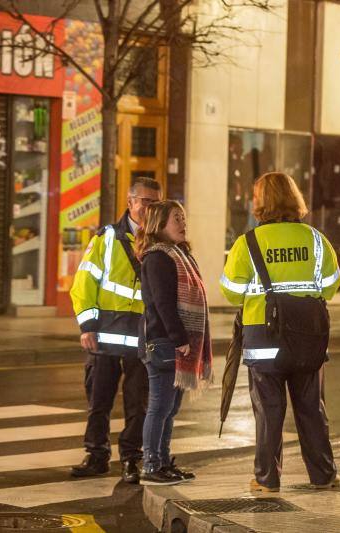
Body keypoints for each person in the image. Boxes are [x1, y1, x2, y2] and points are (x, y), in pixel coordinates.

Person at [220, 172, 340, 492]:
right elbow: (331, 286)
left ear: (260, 203)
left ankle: (267, 479)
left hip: (264, 339)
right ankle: (324, 475)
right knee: (312, 409)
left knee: (269, 412)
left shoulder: (247, 243)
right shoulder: (315, 239)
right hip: (308, 337)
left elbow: (232, 292)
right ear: (294, 198)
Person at [69, 177, 161, 483]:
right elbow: (84, 283)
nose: (150, 208)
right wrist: (87, 325)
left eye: (155, 202)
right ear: (130, 202)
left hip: (142, 338)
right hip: (105, 336)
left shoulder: (162, 242)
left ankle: (131, 459)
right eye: (145, 201)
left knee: (139, 403)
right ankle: (96, 455)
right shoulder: (107, 238)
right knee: (99, 400)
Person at [135, 200, 212, 485]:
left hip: (174, 343)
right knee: (160, 406)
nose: (183, 223)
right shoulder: (158, 257)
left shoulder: (178, 255)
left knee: (170, 408)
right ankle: (152, 465)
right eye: (176, 218)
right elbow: (163, 304)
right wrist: (180, 339)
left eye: (183, 217)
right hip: (164, 343)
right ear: (159, 224)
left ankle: (164, 462)